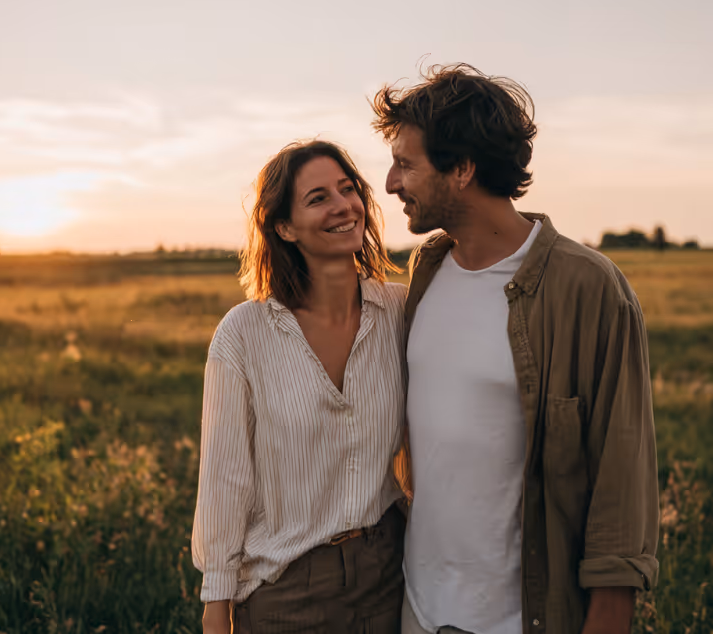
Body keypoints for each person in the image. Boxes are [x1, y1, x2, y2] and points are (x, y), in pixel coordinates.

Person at [371, 64, 659, 634]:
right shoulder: (426, 269)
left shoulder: (588, 288)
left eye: (406, 163)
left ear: (462, 169)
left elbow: (622, 483)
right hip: (419, 613)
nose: (389, 183)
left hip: (519, 620)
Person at [192, 140, 407, 633]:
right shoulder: (244, 334)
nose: (342, 206)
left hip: (389, 577)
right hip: (286, 591)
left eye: (347, 189)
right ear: (284, 228)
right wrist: (216, 603)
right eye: (318, 198)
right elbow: (225, 478)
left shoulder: (401, 312)